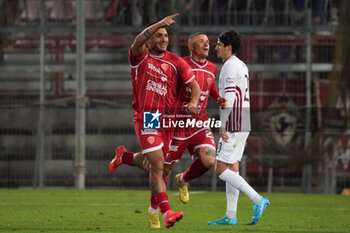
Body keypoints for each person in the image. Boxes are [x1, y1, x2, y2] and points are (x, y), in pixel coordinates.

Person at [110, 32, 226, 229]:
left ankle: (182, 182)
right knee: (160, 167)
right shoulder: (178, 62)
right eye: (202, 41)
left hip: (197, 122)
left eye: (208, 41)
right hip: (170, 119)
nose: (207, 44)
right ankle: (152, 205)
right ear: (191, 46)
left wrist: (212, 98)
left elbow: (205, 85)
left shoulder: (212, 67)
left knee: (208, 159)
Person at [207, 30, 270, 226]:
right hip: (242, 120)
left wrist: (223, 123)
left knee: (220, 169)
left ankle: (257, 199)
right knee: (232, 167)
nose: (215, 47)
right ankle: (231, 215)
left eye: (218, 44)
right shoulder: (242, 65)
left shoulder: (229, 66)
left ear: (229, 47)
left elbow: (232, 96)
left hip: (233, 121)